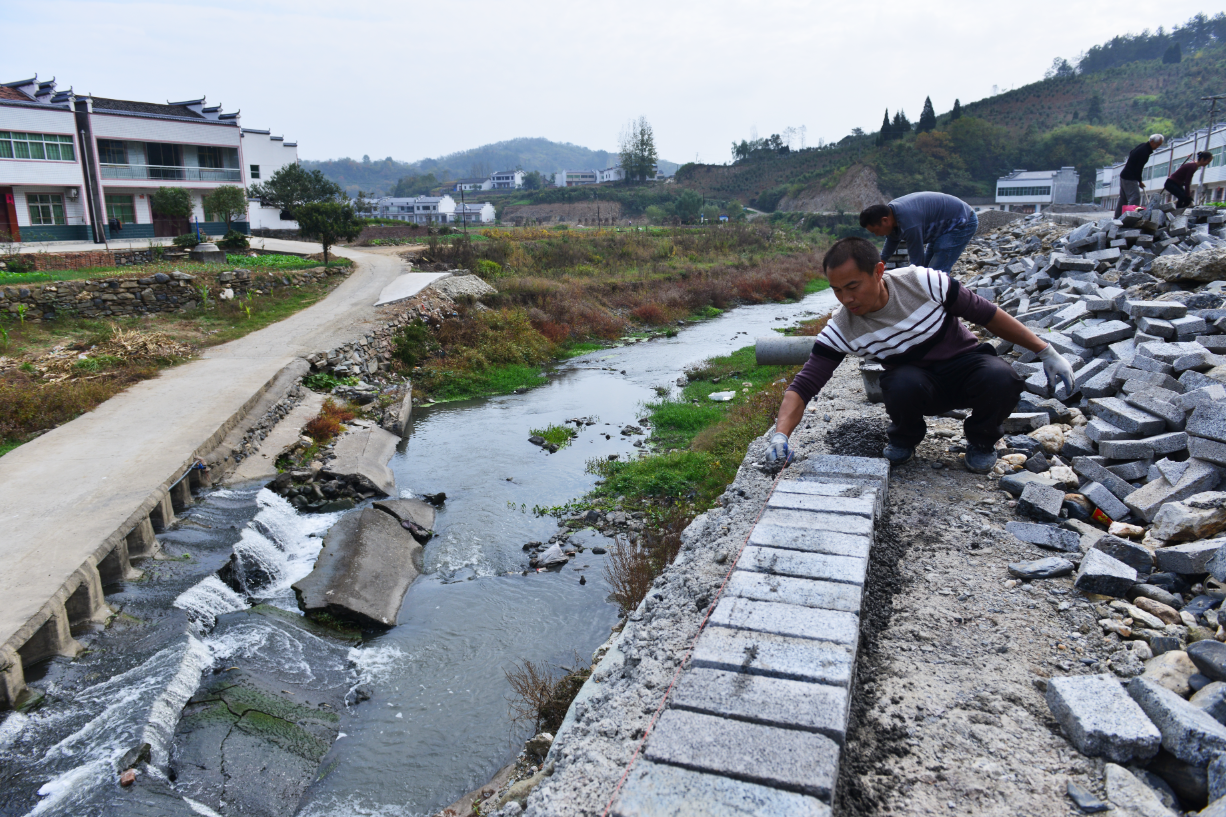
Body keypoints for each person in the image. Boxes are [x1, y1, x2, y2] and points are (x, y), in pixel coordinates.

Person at [764, 237, 1075, 473]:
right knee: (899, 383)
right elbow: (804, 386)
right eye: (836, 290)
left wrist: (1045, 350)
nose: (846, 298)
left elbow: (988, 315)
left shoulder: (923, 282)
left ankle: (981, 440)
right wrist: (780, 435)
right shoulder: (844, 326)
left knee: (1001, 376)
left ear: (879, 271)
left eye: (853, 286)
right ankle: (904, 438)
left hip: (964, 367)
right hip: (917, 383)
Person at [859, 192, 978, 273]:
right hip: (942, 227)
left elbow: (917, 262)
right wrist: (881, 262)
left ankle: (939, 302)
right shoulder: (892, 215)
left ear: (885, 220)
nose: (877, 235)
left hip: (962, 221)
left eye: (876, 231)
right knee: (927, 268)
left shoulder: (909, 223)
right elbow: (892, 238)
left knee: (936, 272)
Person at [1115, 134, 1165, 217]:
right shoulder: (1144, 152)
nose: (1158, 147)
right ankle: (1130, 218)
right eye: (1158, 144)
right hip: (1130, 177)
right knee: (1135, 197)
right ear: (1152, 142)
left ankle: (1117, 218)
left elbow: (1131, 152)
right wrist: (1140, 181)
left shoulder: (1142, 146)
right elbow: (1139, 168)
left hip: (1124, 175)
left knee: (1123, 199)